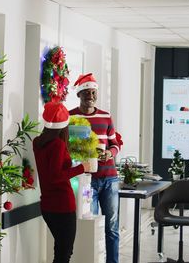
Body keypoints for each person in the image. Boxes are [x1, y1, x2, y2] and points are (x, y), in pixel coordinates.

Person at [69, 73, 121, 263]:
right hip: (85, 182)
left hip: (109, 179)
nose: (90, 96)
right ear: (79, 95)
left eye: (93, 92)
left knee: (112, 227)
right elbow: (66, 147)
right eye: (86, 93)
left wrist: (110, 153)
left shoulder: (106, 116)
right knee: (87, 224)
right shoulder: (70, 117)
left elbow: (115, 144)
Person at [33, 101, 92, 263]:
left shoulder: (37, 143)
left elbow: (50, 172)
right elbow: (56, 176)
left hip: (47, 206)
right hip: (62, 206)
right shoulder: (58, 145)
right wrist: (82, 167)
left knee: (60, 250)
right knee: (64, 252)